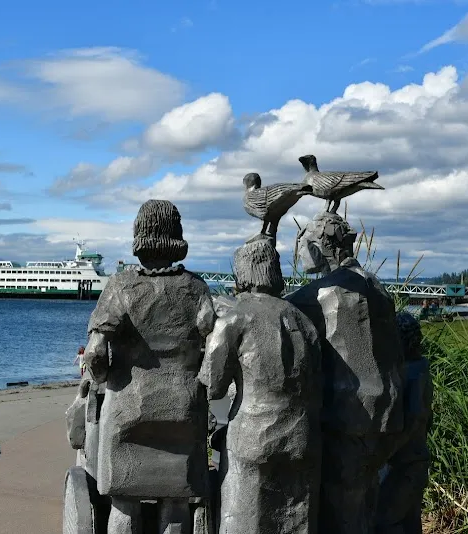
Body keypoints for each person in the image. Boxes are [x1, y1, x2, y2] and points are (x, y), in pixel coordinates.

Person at [84, 199, 216, 534]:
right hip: (182, 409)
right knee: (175, 501)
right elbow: (213, 349)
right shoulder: (196, 288)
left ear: (139, 234)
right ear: (177, 235)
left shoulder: (121, 286)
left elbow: (96, 354)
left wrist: (102, 380)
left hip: (128, 407)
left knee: (124, 501)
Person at [287, 212, 404, 534]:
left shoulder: (322, 294)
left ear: (316, 246)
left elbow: (278, 315)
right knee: (364, 499)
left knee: (342, 507)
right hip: (388, 411)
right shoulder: (374, 285)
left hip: (348, 416)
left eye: (300, 246)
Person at [199, 237, 323, 534]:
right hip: (302, 434)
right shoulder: (303, 320)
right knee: (297, 519)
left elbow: (212, 386)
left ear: (243, 273)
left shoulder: (234, 318)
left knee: (245, 519)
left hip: (253, 435)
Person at [376, 312, 433, 534]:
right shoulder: (420, 367)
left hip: (403, 461)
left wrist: (385, 450)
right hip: (415, 458)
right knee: (410, 519)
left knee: (385, 519)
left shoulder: (411, 372)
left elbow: (415, 416)